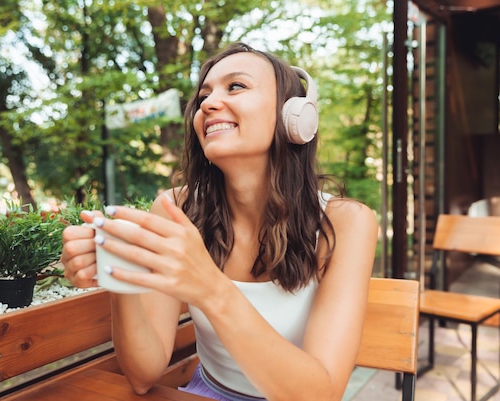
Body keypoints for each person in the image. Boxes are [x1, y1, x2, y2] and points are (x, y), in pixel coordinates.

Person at [60, 42, 378, 401]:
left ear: (296, 116)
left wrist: (210, 287)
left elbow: (321, 394)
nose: (207, 104)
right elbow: (142, 375)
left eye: (236, 86)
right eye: (203, 95)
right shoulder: (174, 209)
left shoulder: (347, 223)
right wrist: (118, 271)